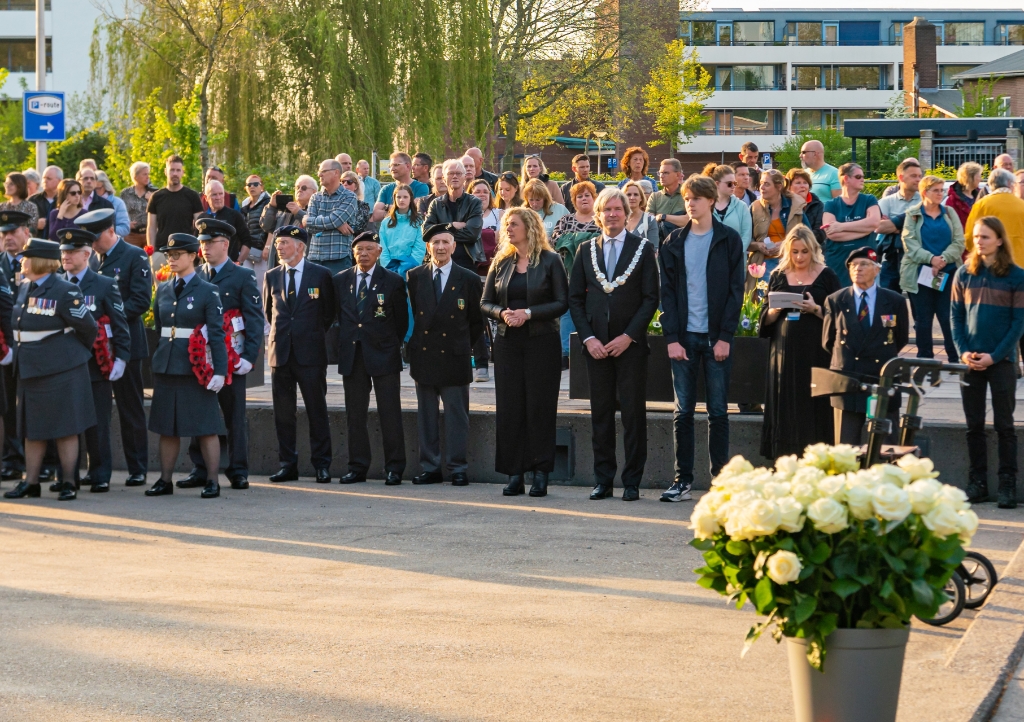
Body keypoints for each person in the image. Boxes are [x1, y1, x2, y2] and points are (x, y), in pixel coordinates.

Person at [568, 188, 659, 502]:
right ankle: (602, 480)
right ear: (598, 214)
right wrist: (589, 338)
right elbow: (575, 300)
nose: (612, 214)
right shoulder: (585, 250)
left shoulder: (643, 249)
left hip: (629, 346)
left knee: (633, 415)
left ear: (627, 212)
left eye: (618, 209)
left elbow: (651, 299)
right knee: (600, 415)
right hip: (596, 347)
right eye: (606, 209)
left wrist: (629, 336)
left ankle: (632, 481)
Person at [658, 176, 744, 503]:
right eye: (687, 198)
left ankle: (720, 483)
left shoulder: (728, 239)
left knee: (719, 412)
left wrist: (724, 337)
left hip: (715, 340)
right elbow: (667, 294)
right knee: (683, 412)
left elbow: (737, 292)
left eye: (697, 198)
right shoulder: (673, 242)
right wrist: (671, 338)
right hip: (683, 339)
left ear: (711, 200)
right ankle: (682, 481)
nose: (691, 203)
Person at [171, 218, 262, 493]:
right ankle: (200, 468)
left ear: (225, 243)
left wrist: (248, 356)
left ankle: (238, 470)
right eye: (201, 243)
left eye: (210, 243)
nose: (205, 248)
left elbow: (254, 319)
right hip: (201, 359)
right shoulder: (195, 275)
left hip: (231, 358)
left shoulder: (242, 275)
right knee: (200, 414)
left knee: (234, 415)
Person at [482, 209, 567, 497]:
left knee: (540, 407)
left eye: (513, 224)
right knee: (510, 408)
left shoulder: (551, 261)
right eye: (505, 224)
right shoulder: (502, 261)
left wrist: (529, 313)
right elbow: (485, 303)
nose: (507, 229)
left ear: (529, 227)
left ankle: (541, 473)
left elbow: (561, 302)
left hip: (542, 343)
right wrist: (502, 313)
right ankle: (514, 473)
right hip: (507, 343)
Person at [2, 239, 96, 502]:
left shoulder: (65, 290)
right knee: (32, 429)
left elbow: (88, 328)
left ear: (40, 261)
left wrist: (67, 355)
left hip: (61, 370)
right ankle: (30, 482)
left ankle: (67, 482)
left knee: (65, 429)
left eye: (26, 257)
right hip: (30, 369)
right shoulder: (24, 287)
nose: (21, 261)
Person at [143, 233, 227, 499]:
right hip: (168, 365)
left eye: (178, 254)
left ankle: (212, 480)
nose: (172, 259)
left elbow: (216, 333)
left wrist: (220, 371)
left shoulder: (207, 290)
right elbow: (160, 326)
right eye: (169, 255)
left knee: (205, 426)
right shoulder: (165, 288)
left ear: (193, 256)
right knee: (167, 427)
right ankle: (165, 480)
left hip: (195, 368)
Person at [952, 216, 1024, 509]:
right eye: (976, 237)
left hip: (1002, 360)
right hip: (971, 360)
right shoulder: (963, 274)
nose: (979, 241)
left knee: (1005, 425)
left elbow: (1019, 323)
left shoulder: (1016, 276)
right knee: (974, 425)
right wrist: (963, 352)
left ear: (999, 240)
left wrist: (996, 355)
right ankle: (977, 481)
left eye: (985, 237)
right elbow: (955, 317)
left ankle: (1008, 482)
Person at [57, 226, 131, 494]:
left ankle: (99, 473)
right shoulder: (55, 283)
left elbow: (120, 324)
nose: (66, 255)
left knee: (97, 423)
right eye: (64, 251)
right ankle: (67, 475)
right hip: (62, 366)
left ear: (87, 254)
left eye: (73, 251)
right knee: (65, 423)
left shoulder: (103, 284)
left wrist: (121, 358)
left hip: (95, 365)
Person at [407, 224, 483, 486]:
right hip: (425, 356)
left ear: (454, 246)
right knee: (426, 416)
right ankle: (430, 467)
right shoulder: (414, 276)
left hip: (455, 355)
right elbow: (417, 314)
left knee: (456, 416)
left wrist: (460, 345)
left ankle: (458, 467)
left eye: (445, 242)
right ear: (428, 247)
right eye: (435, 242)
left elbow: (476, 322)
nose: (440, 247)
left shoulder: (469, 278)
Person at [263, 225, 337, 483]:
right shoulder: (272, 276)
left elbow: (328, 313)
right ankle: (287, 464)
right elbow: (269, 312)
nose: (279, 247)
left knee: (317, 410)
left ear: (300, 246)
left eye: (284, 243)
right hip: (280, 353)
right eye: (278, 244)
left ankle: (322, 464)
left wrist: (309, 333)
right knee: (283, 413)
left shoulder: (321, 275)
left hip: (311, 354)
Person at [759, 226, 840, 458]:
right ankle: (783, 456)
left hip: (816, 353)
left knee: (814, 405)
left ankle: (817, 456)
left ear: (813, 250)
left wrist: (815, 309)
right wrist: (775, 309)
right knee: (785, 403)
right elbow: (765, 319)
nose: (799, 257)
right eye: (794, 252)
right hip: (784, 354)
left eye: (804, 252)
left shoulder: (827, 275)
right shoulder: (778, 275)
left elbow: (839, 319)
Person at [85, 207, 152, 488]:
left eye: (96, 236)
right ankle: (97, 468)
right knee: (96, 412)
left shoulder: (134, 256)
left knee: (131, 409)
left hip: (126, 344)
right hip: (97, 348)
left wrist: (109, 315)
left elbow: (140, 301)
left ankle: (137, 468)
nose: (92, 242)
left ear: (111, 231)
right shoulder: (92, 261)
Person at [333, 232, 407, 484]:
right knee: (355, 415)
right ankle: (357, 467)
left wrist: (388, 345)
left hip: (383, 354)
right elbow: (337, 317)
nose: (363, 254)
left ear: (378, 251)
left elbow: (401, 322)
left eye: (368, 249)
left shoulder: (393, 281)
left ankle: (395, 468)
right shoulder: (341, 280)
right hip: (353, 356)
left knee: (390, 413)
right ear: (353, 253)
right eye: (359, 250)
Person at [822, 247, 909, 445]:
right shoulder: (836, 300)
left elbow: (900, 338)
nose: (857, 269)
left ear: (877, 269)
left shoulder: (894, 301)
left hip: (881, 379)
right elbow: (828, 341)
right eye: (853, 265)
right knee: (846, 449)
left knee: (884, 448)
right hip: (848, 381)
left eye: (864, 264)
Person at [423, 159, 488, 381]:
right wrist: (454, 226)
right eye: (450, 173)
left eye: (458, 173)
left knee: (473, 312)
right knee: (438, 311)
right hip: (439, 263)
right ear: (443, 177)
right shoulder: (435, 204)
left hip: (466, 262)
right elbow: (427, 232)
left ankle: (481, 363)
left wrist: (443, 231)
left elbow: (472, 233)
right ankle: (440, 359)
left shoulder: (473, 203)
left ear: (465, 177)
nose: (454, 177)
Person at [900, 175, 965, 362]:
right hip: (920, 273)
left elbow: (959, 242)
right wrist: (931, 259)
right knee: (923, 318)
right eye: (936, 190)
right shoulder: (912, 214)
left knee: (948, 317)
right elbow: (909, 243)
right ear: (924, 192)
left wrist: (943, 259)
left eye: (942, 190)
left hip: (949, 271)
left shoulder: (949, 213)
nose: (940, 194)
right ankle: (925, 359)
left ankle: (954, 358)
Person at [551, 181, 600, 365]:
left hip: (596, 275)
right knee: (567, 312)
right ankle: (566, 352)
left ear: (594, 198)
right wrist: (586, 239)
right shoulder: (565, 220)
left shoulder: (601, 219)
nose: (584, 199)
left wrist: (574, 240)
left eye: (587, 195)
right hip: (568, 275)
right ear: (574, 200)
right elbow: (555, 241)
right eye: (580, 196)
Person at [0, 212, 28, 481]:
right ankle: (13, 459)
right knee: (8, 405)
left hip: (33, 344)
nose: (8, 238)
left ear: (26, 233)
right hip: (5, 349)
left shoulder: (38, 261)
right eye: (4, 234)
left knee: (35, 404)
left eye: (13, 232)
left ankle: (46, 461)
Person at [821, 163, 880, 287]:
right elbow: (832, 233)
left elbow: (874, 222)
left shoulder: (869, 199)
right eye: (858, 176)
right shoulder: (831, 204)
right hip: (838, 262)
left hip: (866, 261)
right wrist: (865, 229)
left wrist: (841, 226)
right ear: (846, 179)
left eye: (863, 176)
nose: (863, 179)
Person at [750, 169, 806, 283]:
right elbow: (745, 239)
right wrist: (758, 245)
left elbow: (808, 236)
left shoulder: (795, 206)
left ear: (779, 186)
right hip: (764, 263)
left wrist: (786, 244)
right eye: (761, 183)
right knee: (767, 297)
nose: (762, 188)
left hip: (791, 259)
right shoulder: (755, 208)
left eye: (766, 184)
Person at [876, 159, 923, 292]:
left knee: (919, 307)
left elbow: (925, 229)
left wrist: (893, 225)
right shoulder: (886, 202)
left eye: (920, 176)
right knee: (888, 305)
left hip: (918, 260)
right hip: (891, 258)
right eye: (914, 176)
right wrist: (912, 225)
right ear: (901, 177)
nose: (918, 180)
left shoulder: (925, 201)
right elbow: (879, 227)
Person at [304, 158, 358, 275]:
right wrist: (336, 224)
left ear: (336, 173)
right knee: (314, 294)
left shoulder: (349, 197)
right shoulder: (315, 197)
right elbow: (309, 228)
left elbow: (334, 220)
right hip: (315, 258)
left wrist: (312, 220)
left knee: (338, 293)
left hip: (338, 259)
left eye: (323, 171)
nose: (319, 174)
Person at [965, 168, 1024, 265]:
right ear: (1009, 183)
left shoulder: (981, 205)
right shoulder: (1022, 205)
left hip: (991, 263)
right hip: (1020, 264)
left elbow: (969, 236)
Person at [147, 156, 204, 254]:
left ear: (183, 172)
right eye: (172, 170)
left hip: (186, 250)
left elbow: (200, 226)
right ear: (165, 172)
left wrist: (198, 248)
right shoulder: (156, 197)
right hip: (162, 250)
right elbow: (151, 227)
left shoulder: (192, 196)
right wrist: (151, 251)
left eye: (178, 170)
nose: (175, 174)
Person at [261, 175, 316, 267]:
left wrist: (298, 213)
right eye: (297, 187)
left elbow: (313, 228)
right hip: (278, 264)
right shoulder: (285, 211)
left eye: (304, 188)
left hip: (302, 264)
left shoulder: (316, 210)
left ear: (314, 192)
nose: (299, 190)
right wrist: (272, 206)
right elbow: (266, 226)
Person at [380, 184, 425, 279]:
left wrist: (406, 268)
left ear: (411, 198)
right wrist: (389, 266)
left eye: (405, 197)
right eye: (398, 197)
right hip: (390, 269)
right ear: (394, 199)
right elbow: (382, 247)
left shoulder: (419, 222)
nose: (401, 200)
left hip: (411, 269)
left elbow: (420, 247)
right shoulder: (386, 222)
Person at [202, 180, 252, 262]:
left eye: (221, 194)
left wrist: (239, 262)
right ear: (206, 197)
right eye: (214, 194)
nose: (218, 198)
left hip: (230, 266)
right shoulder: (202, 219)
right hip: (208, 268)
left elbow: (247, 241)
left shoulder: (234, 215)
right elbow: (196, 243)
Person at [706, 164, 752, 253]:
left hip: (735, 260)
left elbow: (746, 235)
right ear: (717, 184)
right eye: (729, 184)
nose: (733, 186)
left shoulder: (741, 206)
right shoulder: (706, 205)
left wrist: (734, 255)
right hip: (710, 259)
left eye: (735, 183)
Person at [373, 152, 430, 221]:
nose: (392, 169)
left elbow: (416, 212)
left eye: (396, 165)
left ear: (408, 166)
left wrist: (387, 208)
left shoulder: (421, 187)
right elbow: (376, 214)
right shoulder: (386, 189)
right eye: (390, 166)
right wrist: (403, 209)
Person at [239, 174, 272, 290]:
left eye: (256, 184)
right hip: (247, 249)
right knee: (246, 282)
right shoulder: (244, 205)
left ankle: (262, 308)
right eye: (249, 184)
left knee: (261, 284)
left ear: (262, 187)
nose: (252, 187)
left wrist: (267, 247)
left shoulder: (269, 203)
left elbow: (271, 227)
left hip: (262, 249)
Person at [648, 158, 688, 237]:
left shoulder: (687, 195)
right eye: (660, 173)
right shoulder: (655, 196)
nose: (661, 176)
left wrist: (662, 217)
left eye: (666, 173)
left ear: (678, 175)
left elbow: (689, 221)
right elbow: (650, 222)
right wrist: (677, 219)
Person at [785, 168, 825, 247]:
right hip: (787, 246)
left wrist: (800, 241)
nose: (802, 186)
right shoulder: (784, 204)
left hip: (812, 247)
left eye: (805, 183)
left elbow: (820, 233)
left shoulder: (818, 205)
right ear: (789, 187)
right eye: (798, 183)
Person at [120, 161, 154, 248]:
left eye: (148, 174)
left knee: (148, 259)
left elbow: (160, 211)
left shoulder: (153, 192)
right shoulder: (126, 193)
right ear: (136, 176)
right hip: (132, 235)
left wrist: (152, 200)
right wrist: (126, 223)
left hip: (148, 234)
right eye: (144, 174)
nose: (148, 177)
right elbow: (120, 212)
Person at [623, 180, 661, 247]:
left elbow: (654, 249)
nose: (632, 198)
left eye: (636, 194)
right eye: (628, 195)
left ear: (641, 198)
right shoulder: (617, 219)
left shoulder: (650, 220)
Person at [94, 171, 131, 238]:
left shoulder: (117, 202)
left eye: (97, 189)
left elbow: (125, 228)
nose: (94, 192)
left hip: (112, 243)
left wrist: (105, 231)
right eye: (92, 189)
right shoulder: (87, 202)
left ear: (105, 186)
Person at [29, 165, 62, 240]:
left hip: (57, 244)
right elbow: (24, 223)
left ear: (59, 181)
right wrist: (35, 225)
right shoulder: (33, 200)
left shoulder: (65, 200)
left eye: (49, 178)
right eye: (44, 178)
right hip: (36, 244)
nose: (45, 181)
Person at [947, 163, 983, 229]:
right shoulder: (953, 200)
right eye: (979, 176)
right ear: (970, 178)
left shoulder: (981, 196)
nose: (981, 179)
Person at [341, 170, 374, 236]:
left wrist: (338, 224)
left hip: (354, 242)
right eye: (342, 181)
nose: (345, 184)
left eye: (349, 182)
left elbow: (357, 228)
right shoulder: (334, 203)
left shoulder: (363, 206)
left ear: (356, 186)